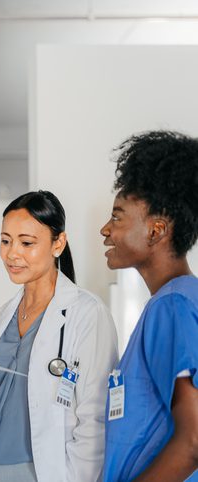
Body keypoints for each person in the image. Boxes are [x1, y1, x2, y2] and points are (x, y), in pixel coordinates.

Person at [0, 191, 118, 482]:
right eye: (5, 240)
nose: (12, 253)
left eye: (27, 243)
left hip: (45, 471)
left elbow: (94, 417)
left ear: (58, 243)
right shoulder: (3, 317)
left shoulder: (86, 314)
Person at [101, 131, 198, 482]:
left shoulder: (172, 305)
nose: (105, 229)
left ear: (157, 230)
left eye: (117, 217)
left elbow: (193, 441)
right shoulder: (178, 300)